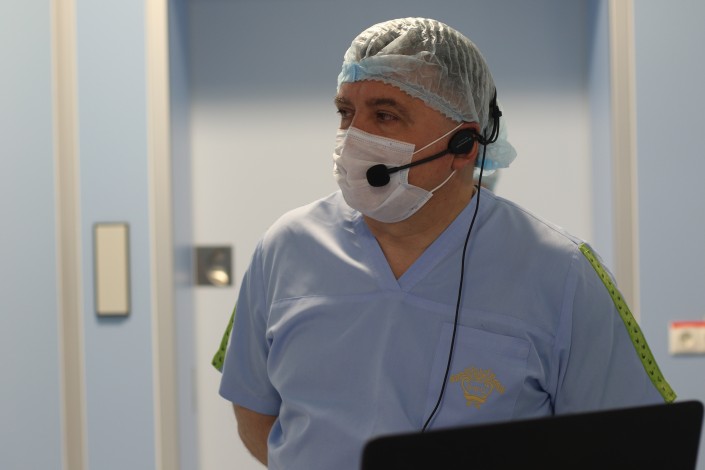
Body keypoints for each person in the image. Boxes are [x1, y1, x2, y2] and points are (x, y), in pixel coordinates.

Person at [217, 17, 675, 470]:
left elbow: (630, 443)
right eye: (345, 113)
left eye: (384, 115)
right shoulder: (284, 246)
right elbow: (254, 408)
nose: (354, 137)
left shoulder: (563, 271)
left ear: (464, 145)